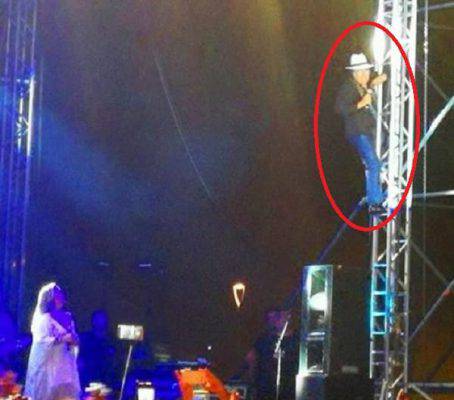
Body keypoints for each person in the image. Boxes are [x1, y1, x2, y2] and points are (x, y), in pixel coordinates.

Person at [335, 52, 387, 213]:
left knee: (377, 161)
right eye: (360, 72)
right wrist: (360, 104)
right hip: (358, 132)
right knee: (373, 162)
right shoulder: (349, 88)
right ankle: (374, 202)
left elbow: (373, 82)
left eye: (366, 71)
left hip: (369, 131)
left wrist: (374, 83)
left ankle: (381, 193)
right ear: (354, 73)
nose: (364, 75)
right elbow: (340, 109)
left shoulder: (364, 86)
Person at [24, 283, 81, 400]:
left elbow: (73, 339)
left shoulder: (67, 317)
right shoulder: (43, 319)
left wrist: (74, 340)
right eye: (57, 296)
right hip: (48, 367)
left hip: (64, 366)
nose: (61, 298)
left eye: (61, 295)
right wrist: (62, 338)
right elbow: (41, 341)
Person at [244, 308, 298, 400]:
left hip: (291, 389)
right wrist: (252, 384)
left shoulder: (298, 340)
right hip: (266, 390)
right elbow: (252, 361)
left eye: (282, 314)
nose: (279, 318)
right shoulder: (263, 340)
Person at [78, 310, 118, 390]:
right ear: (93, 321)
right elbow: (80, 355)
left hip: (106, 377)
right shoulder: (85, 338)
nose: (100, 322)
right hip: (89, 376)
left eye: (102, 319)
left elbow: (114, 358)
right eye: (98, 319)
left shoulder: (111, 339)